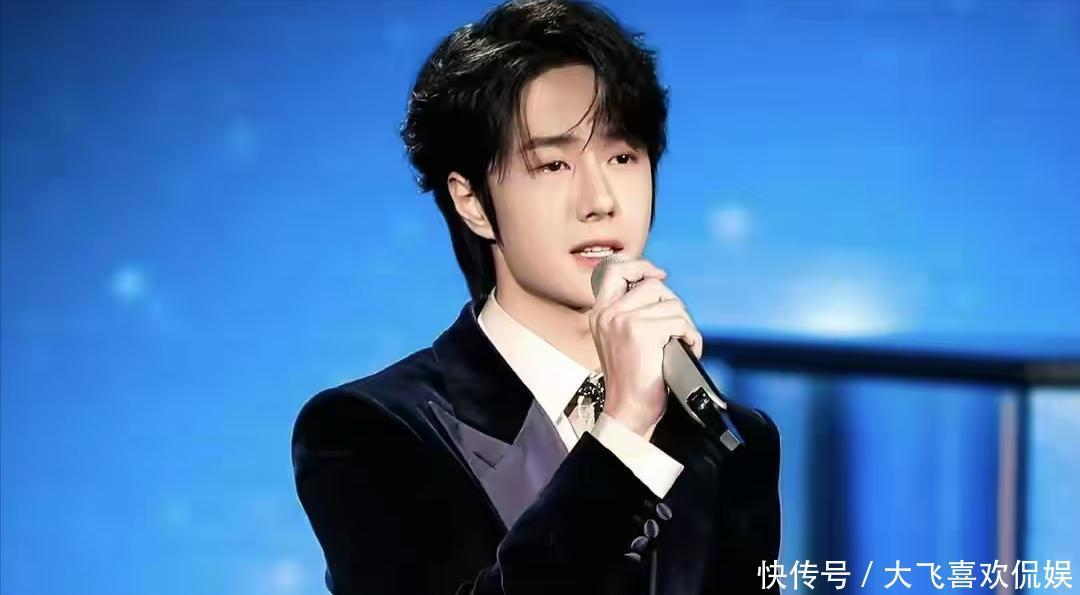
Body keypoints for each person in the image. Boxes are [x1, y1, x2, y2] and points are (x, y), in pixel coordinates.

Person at [291, 1, 781, 593]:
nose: (600, 201)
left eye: (622, 157)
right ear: (472, 201)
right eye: (552, 165)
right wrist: (623, 431)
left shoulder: (730, 439)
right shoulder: (369, 431)